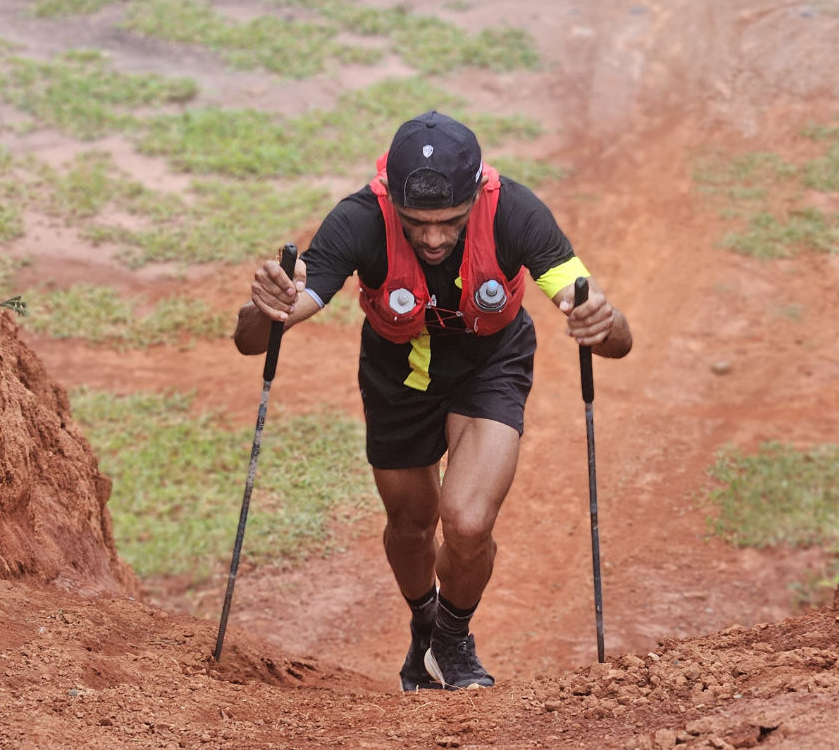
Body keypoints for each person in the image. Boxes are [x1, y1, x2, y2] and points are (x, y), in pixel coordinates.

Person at [234, 111, 632, 691]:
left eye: (450, 220)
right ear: (392, 199)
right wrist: (265, 307)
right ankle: (424, 626)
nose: (435, 237)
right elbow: (261, 336)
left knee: (467, 523)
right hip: (397, 373)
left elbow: (613, 338)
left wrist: (606, 320)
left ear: (475, 194)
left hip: (488, 366)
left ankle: (452, 638)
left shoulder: (517, 213)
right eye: (416, 222)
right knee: (411, 524)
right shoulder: (359, 220)